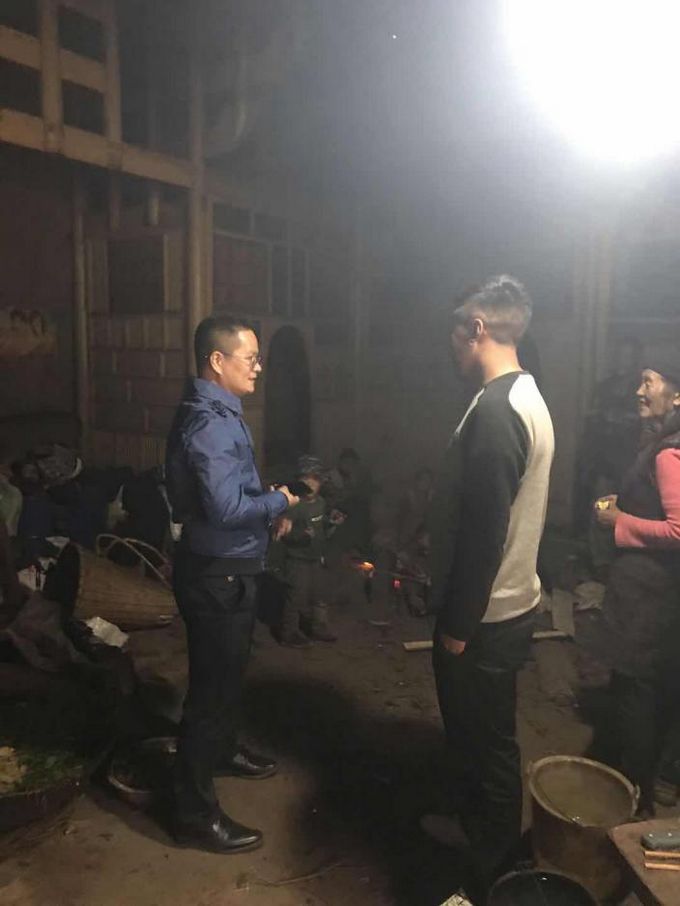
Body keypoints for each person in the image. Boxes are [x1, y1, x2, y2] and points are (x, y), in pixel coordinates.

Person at [423, 275, 554, 897]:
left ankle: (491, 872)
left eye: (454, 334)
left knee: (487, 742)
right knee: (485, 738)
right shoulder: (524, 393)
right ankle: (478, 833)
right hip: (508, 602)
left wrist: (457, 624)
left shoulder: (499, 412)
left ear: (476, 329)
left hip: (486, 615)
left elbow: (484, 533)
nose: (450, 347)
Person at [166, 315, 298, 854]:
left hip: (230, 567)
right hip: (215, 575)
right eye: (251, 358)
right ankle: (193, 814)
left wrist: (266, 511)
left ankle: (220, 751)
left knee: (227, 677)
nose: (259, 368)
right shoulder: (210, 423)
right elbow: (223, 509)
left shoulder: (221, 412)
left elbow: (229, 491)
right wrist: (278, 501)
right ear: (217, 361)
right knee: (210, 693)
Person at [592, 359, 680, 816]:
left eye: (649, 382)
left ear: (677, 395)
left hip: (648, 598)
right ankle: (635, 783)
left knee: (637, 695)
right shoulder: (661, 444)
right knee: (645, 691)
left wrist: (619, 521)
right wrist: (625, 504)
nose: (638, 391)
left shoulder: (668, 453)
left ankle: (636, 800)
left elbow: (678, 529)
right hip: (654, 595)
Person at [278, 455, 341, 648]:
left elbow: (320, 525)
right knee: (296, 597)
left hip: (315, 558)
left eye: (315, 479)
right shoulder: (294, 505)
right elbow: (284, 534)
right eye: (306, 479)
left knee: (319, 595)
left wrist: (331, 522)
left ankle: (318, 627)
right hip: (297, 560)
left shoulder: (320, 503)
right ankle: (289, 633)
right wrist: (301, 536)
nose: (311, 484)